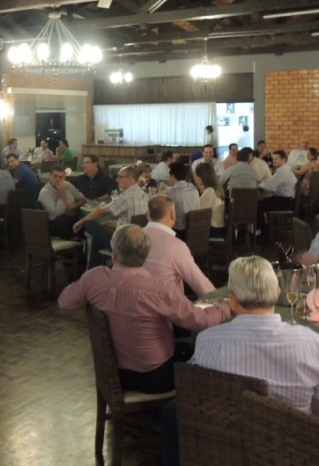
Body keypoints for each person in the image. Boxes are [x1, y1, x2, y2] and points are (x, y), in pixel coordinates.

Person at [162, 255, 319, 466]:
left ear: (232, 299)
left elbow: (195, 390)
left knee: (171, 411)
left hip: (227, 449)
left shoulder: (208, 341)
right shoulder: (311, 342)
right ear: (278, 292)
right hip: (292, 452)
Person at [58, 224, 229, 393]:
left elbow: (64, 302)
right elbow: (201, 321)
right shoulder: (159, 289)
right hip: (154, 377)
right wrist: (227, 306)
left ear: (114, 254)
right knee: (205, 349)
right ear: (145, 255)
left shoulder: (93, 278)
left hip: (111, 372)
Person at [75, 166, 149, 268]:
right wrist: (112, 224)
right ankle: (94, 270)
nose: (117, 180)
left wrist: (81, 221)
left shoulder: (127, 197)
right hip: (140, 241)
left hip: (124, 243)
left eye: (120, 177)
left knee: (89, 223)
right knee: (97, 239)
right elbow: (133, 222)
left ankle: (91, 271)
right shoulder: (144, 194)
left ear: (131, 178)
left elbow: (102, 211)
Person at [143, 194, 215, 296]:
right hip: (166, 302)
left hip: (134, 301)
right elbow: (201, 285)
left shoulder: (131, 239)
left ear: (147, 214)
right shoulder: (175, 247)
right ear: (173, 214)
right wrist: (221, 301)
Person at [38, 166, 86, 239]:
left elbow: (82, 199)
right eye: (55, 176)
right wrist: (62, 192)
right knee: (64, 218)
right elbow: (58, 213)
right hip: (55, 223)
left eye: (60, 177)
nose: (58, 179)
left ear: (64, 178)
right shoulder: (45, 192)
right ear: (49, 176)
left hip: (72, 217)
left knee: (85, 217)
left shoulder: (67, 185)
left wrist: (73, 206)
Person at [165, 162, 199, 236]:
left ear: (173, 176)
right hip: (194, 230)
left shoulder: (171, 191)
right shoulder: (194, 188)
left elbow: (163, 210)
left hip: (178, 232)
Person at [194, 162, 225, 235]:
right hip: (218, 228)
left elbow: (197, 210)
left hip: (213, 229)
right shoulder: (216, 189)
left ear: (200, 177)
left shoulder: (210, 191)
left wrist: (198, 186)